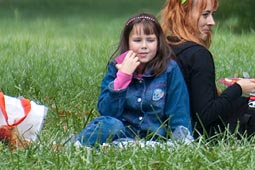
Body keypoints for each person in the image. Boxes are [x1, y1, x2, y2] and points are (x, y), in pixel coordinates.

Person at [160, 0, 255, 137]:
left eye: (212, 14)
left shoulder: (163, 48)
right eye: (205, 15)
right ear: (184, 14)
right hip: (195, 134)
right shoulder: (198, 55)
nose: (212, 22)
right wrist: (239, 89)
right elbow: (205, 116)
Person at [76, 13, 193, 146]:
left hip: (154, 138)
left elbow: (178, 111)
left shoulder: (169, 69)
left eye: (150, 40)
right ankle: (78, 144)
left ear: (159, 42)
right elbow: (106, 112)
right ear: (127, 42)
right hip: (121, 133)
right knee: (111, 125)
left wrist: (182, 137)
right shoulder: (116, 67)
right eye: (137, 40)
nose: (144, 46)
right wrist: (123, 77)